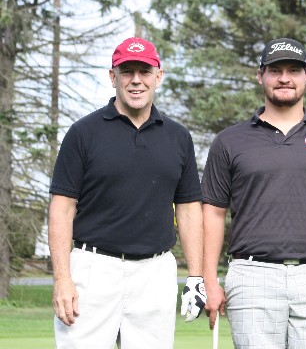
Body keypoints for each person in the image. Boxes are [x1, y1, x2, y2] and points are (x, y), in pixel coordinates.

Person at [201, 37, 306, 348]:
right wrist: (209, 279)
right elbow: (212, 213)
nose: (284, 78)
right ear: (260, 76)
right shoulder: (229, 141)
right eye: (275, 70)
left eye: (294, 70)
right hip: (252, 276)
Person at [48, 37, 206, 349]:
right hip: (93, 270)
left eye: (144, 72)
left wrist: (196, 277)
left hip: (156, 272)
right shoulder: (83, 133)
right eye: (127, 71)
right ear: (113, 77)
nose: (136, 80)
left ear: (158, 76)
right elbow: (62, 208)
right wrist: (62, 279)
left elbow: (189, 210)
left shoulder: (178, 137)